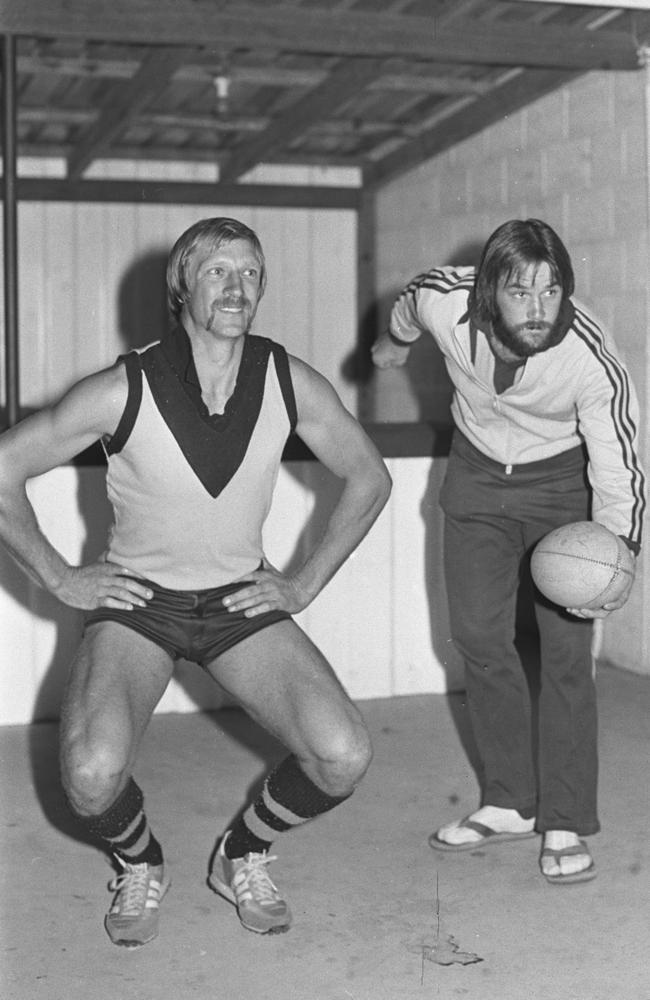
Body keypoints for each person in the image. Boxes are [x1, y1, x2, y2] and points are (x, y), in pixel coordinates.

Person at [0, 217, 392, 947]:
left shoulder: (286, 379)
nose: (236, 285)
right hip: (140, 606)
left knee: (343, 754)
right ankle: (140, 860)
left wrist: (303, 583)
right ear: (181, 286)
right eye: (216, 270)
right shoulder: (127, 386)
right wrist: (59, 577)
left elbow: (369, 477)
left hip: (240, 601)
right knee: (90, 773)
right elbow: (3, 470)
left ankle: (242, 852)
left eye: (250, 271)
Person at [372, 218, 645, 886]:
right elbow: (410, 301)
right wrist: (394, 342)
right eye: (521, 292)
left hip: (560, 486)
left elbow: (619, 461)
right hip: (475, 475)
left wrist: (621, 550)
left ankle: (566, 817)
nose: (539, 309)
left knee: (565, 656)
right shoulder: (446, 300)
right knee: (478, 640)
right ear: (490, 290)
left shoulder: (586, 352)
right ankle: (509, 801)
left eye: (552, 291)